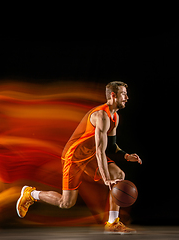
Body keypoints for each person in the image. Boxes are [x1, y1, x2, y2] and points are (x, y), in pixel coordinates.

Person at [16, 81, 142, 234]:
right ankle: (31, 194)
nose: (127, 97)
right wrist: (106, 178)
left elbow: (111, 146)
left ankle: (113, 223)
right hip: (74, 157)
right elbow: (100, 151)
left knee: (119, 174)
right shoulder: (101, 116)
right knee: (66, 202)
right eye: (123, 94)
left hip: (91, 156)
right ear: (113, 95)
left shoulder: (115, 116)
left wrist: (127, 156)